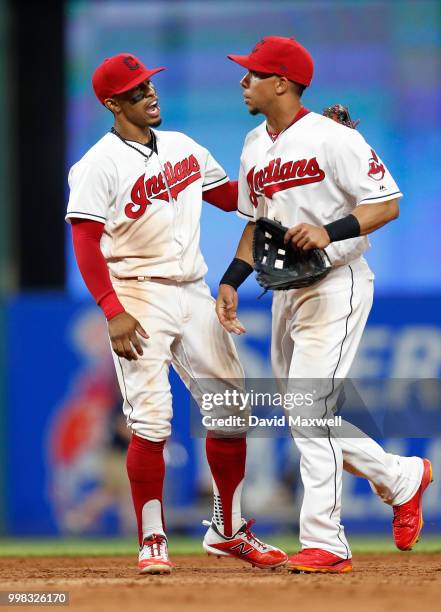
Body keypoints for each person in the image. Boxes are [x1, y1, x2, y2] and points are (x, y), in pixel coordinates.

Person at [216, 36, 432, 574]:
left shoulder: (332, 138)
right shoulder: (252, 144)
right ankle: (401, 477)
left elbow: (388, 204)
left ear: (282, 83)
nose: (244, 81)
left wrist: (329, 230)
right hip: (284, 293)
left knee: (309, 410)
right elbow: (256, 223)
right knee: (303, 414)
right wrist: (231, 279)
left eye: (253, 74)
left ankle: (326, 542)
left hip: (337, 283)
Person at [66, 53, 288, 574]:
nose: (149, 93)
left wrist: (291, 170)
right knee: (152, 420)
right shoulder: (97, 165)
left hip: (193, 289)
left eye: (149, 83)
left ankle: (227, 530)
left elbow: (231, 196)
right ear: (112, 103)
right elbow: (84, 241)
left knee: (232, 411)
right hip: (137, 293)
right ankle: (152, 539)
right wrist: (112, 309)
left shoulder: (184, 147)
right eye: (136, 89)